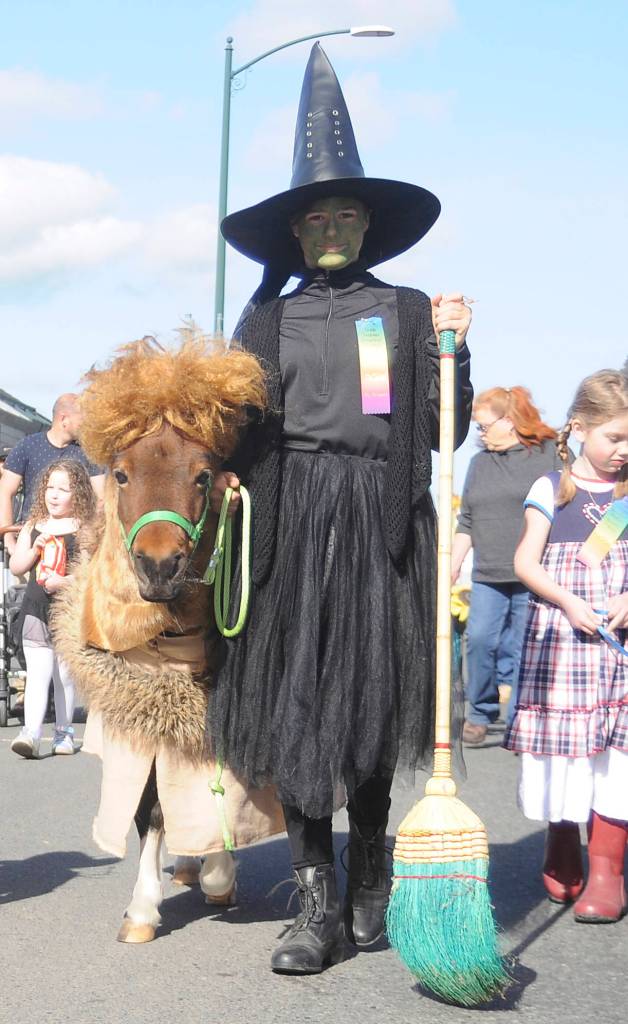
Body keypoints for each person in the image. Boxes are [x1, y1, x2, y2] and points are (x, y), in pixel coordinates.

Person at [207, 43, 473, 974]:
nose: (330, 226)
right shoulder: (265, 323)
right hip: (294, 525)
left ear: (367, 225)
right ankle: (314, 905)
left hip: (381, 524)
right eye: (315, 213)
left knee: (372, 709)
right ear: (296, 229)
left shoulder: (402, 311)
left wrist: (454, 353)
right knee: (302, 715)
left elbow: (447, 430)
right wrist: (232, 471)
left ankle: (371, 871)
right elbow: (239, 429)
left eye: (344, 212)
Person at [503, 369, 628, 922]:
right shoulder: (550, 489)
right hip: (563, 640)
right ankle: (561, 841)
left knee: (616, 755)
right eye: (615, 438)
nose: (624, 451)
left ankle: (607, 869)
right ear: (578, 428)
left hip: (618, 650)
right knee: (567, 753)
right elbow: (525, 563)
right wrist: (570, 603)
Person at [452, 387, 563, 744]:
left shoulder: (549, 456)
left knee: (522, 647)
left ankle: (518, 718)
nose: (480, 435)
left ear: (509, 421)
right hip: (488, 571)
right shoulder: (480, 463)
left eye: (484, 427)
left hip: (534, 572)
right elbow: (466, 518)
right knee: (479, 640)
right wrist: (452, 565)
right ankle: (480, 711)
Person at [9, 459, 96, 758]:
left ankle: (64, 732)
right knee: (37, 673)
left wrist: (65, 580)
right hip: (35, 607)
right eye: (50, 487)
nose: (54, 494)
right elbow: (16, 565)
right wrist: (33, 550)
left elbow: (89, 571)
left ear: (79, 495)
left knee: (65, 675)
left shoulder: (82, 528)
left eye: (63, 489)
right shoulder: (34, 526)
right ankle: (30, 733)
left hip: (67, 610)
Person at [0, 393, 103, 554]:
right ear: (64, 419)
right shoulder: (27, 446)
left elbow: (102, 497)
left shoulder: (87, 453)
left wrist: (91, 537)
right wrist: (8, 539)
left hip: (74, 546)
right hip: (31, 542)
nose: (86, 424)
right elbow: (5, 491)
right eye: (82, 418)